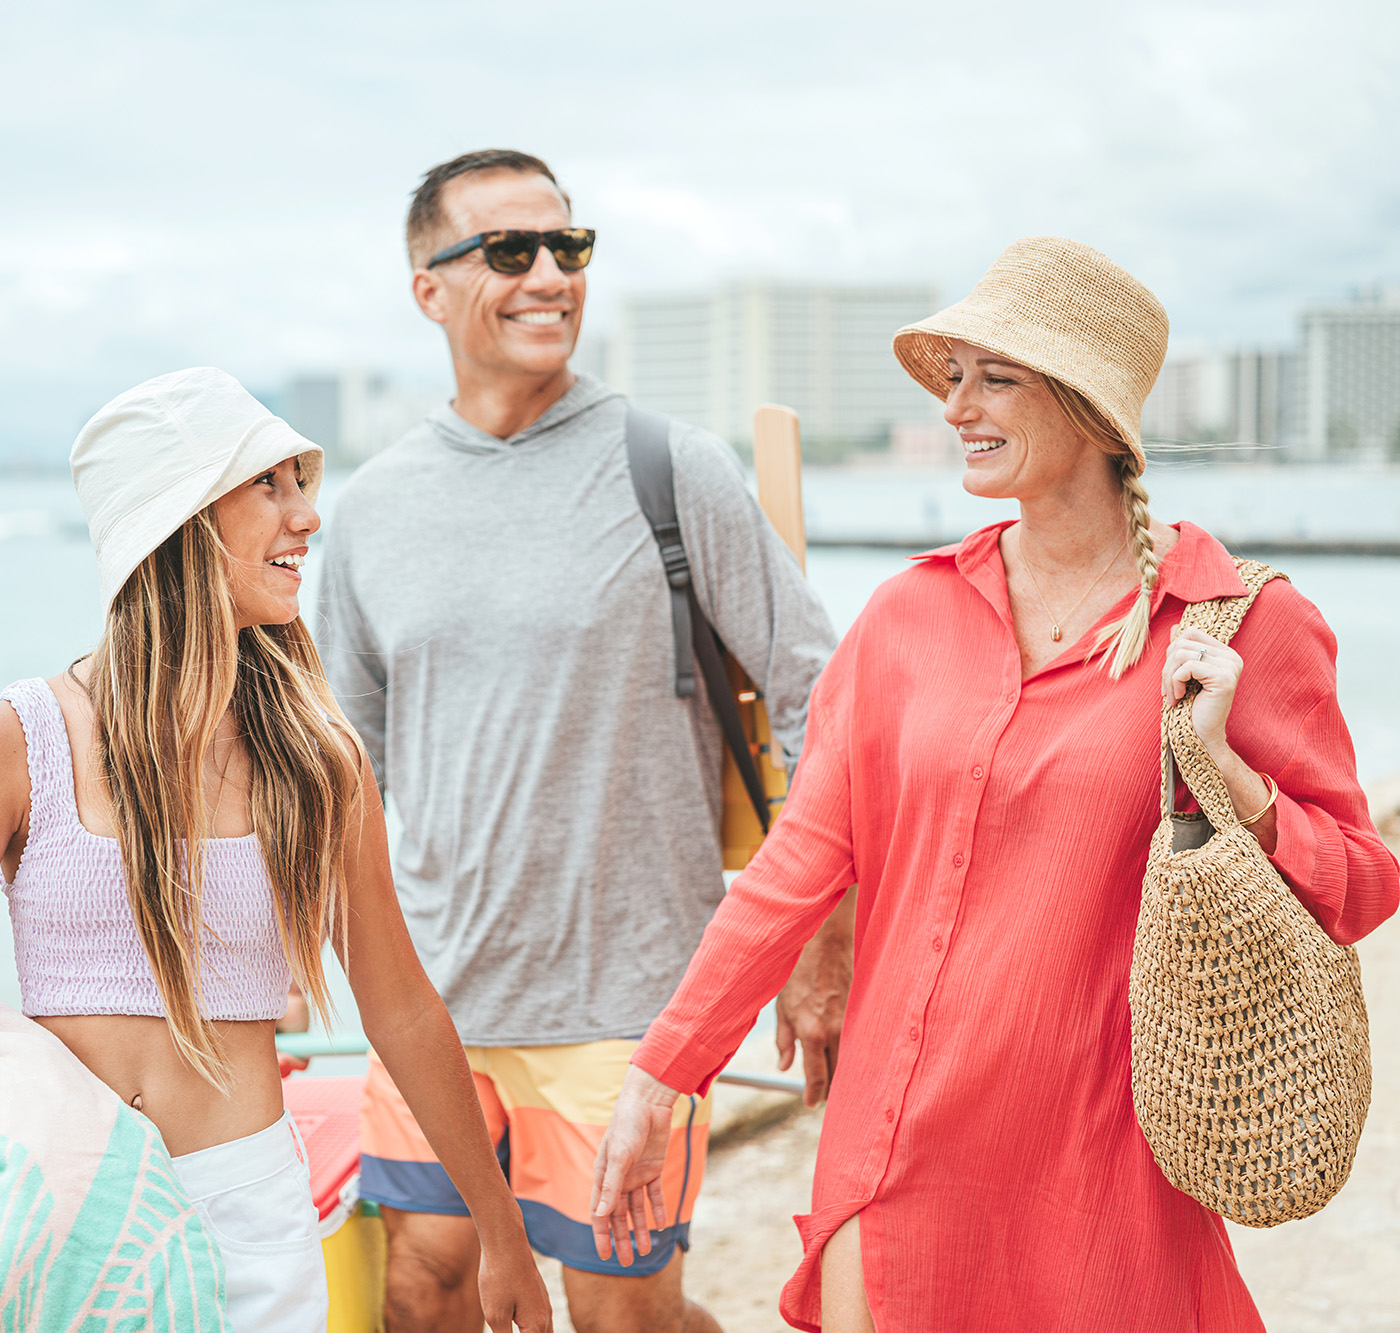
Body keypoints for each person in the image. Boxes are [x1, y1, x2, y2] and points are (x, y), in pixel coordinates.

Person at [590, 236, 1400, 1332]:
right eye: (951, 378)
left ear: (1090, 407)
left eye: (993, 378)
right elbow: (794, 867)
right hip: (890, 1149)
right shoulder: (904, 620)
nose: (955, 407)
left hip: (1096, 1168)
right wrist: (662, 1075)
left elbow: (1356, 888)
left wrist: (1226, 771)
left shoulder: (1238, 626)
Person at [0, 368, 554, 1332]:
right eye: (268, 485)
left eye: (301, 482)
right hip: (65, 1200)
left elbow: (400, 1005)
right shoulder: (19, 740)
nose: (307, 515)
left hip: (251, 1213)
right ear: (174, 520)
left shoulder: (317, 756)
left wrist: (500, 1225)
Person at [316, 148, 850, 1333]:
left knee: (619, 1314)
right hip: (439, 995)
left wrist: (821, 935)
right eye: (510, 251)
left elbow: (824, 691)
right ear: (429, 286)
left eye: (569, 248)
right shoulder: (371, 511)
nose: (549, 274)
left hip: (632, 1001)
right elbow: (345, 770)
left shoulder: (668, 468)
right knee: (421, 1287)